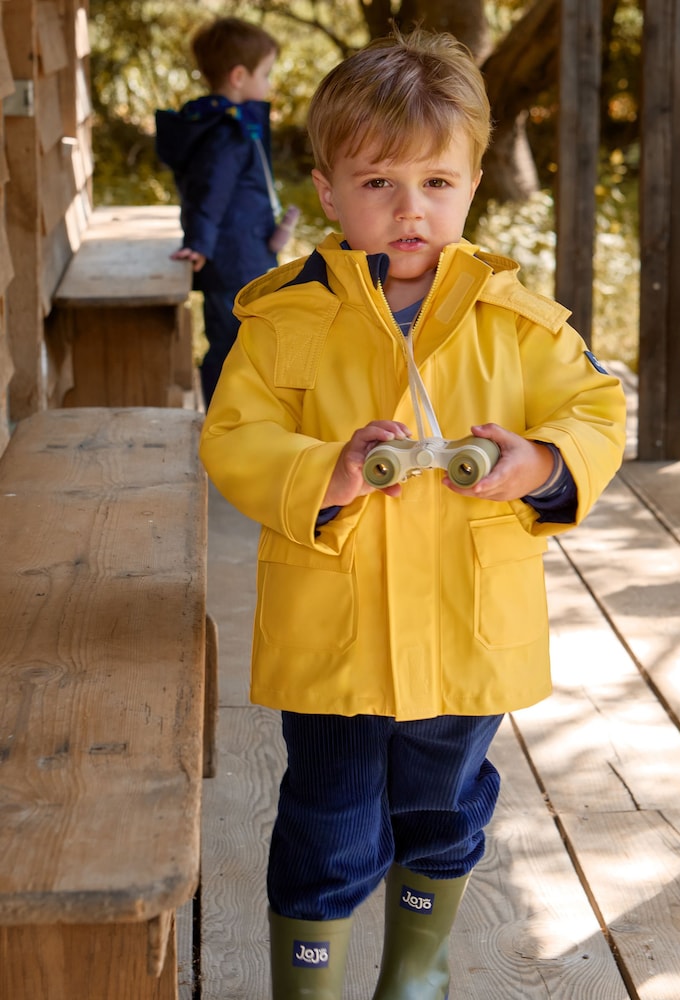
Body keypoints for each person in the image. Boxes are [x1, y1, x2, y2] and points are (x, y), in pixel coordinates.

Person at [199, 27, 626, 1000]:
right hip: (336, 637)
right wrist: (328, 472)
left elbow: (596, 408)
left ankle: (416, 975)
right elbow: (233, 436)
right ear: (327, 188)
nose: (409, 208)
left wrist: (545, 461)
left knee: (447, 806)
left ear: (473, 182)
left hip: (467, 627)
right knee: (328, 820)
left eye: (437, 182)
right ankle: (308, 985)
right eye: (379, 181)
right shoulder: (282, 318)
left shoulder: (516, 319)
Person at [155, 16, 299, 407]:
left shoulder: (224, 124)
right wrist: (199, 242)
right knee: (233, 336)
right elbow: (210, 192)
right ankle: (223, 410)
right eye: (266, 74)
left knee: (243, 331)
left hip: (245, 246)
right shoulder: (225, 132)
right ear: (239, 76)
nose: (269, 84)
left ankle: (240, 405)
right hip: (235, 255)